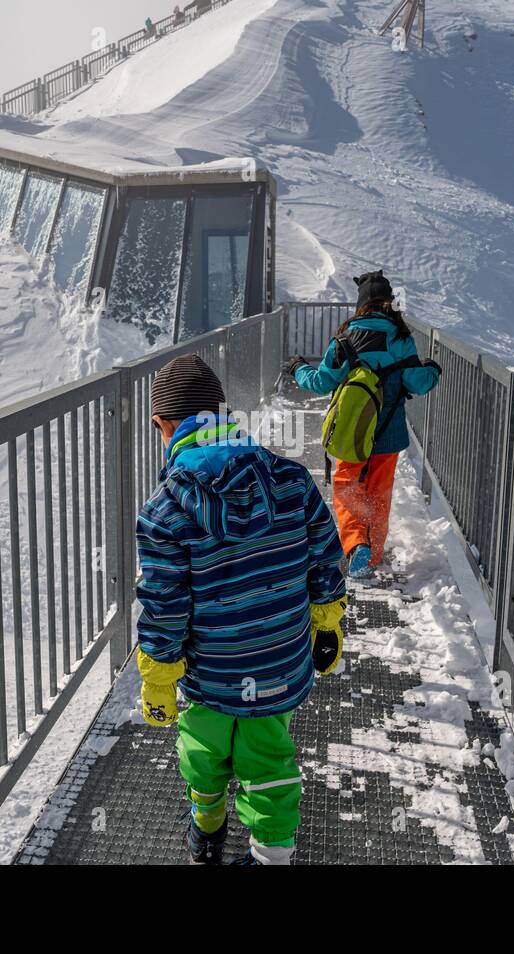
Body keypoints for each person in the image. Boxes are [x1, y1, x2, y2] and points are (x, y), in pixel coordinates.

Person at [134, 354, 347, 865]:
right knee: (269, 764)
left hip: (210, 675)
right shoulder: (292, 480)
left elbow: (165, 606)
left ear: (163, 425)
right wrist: (327, 626)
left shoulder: (164, 511)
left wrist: (159, 680)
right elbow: (325, 558)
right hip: (279, 665)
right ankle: (271, 857)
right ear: (222, 413)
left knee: (203, 756)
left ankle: (206, 832)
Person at [289, 270, 441, 579]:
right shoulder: (401, 338)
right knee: (379, 492)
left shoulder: (345, 339)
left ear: (361, 305)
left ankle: (356, 544)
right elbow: (417, 381)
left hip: (352, 433)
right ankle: (373, 554)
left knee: (348, 488)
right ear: (389, 304)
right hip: (389, 434)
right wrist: (433, 369)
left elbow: (321, 382)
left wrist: (298, 368)